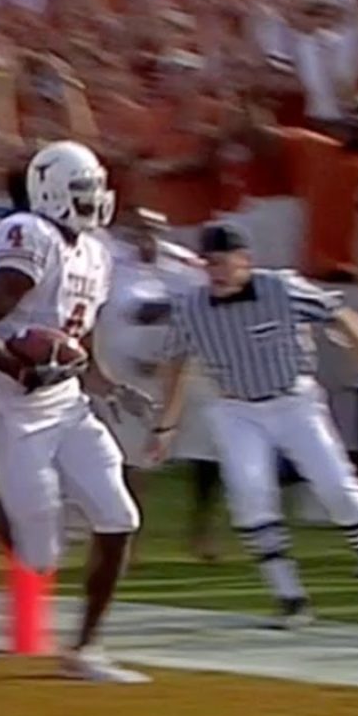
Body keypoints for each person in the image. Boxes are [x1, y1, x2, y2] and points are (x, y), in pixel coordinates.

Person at [151, 223, 358, 628]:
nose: (216, 272)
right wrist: (165, 426)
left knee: (338, 489)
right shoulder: (192, 307)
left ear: (244, 261)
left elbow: (343, 317)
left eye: (223, 262)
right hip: (236, 407)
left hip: (293, 401)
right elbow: (174, 363)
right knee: (250, 493)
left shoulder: (281, 288)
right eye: (209, 263)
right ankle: (289, 596)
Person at [0, 140, 155, 683]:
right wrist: (20, 371)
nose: (96, 198)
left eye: (97, 187)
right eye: (83, 189)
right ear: (51, 191)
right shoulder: (31, 236)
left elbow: (75, 342)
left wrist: (110, 386)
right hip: (15, 412)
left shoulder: (96, 253)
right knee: (37, 556)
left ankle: (85, 649)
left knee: (120, 516)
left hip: (68, 405)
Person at [90, 208, 217, 559]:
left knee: (205, 451)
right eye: (138, 228)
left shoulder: (184, 266)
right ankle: (130, 537)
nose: (145, 235)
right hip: (127, 372)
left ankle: (201, 532)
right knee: (130, 457)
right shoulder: (109, 263)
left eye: (152, 228)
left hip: (181, 373)